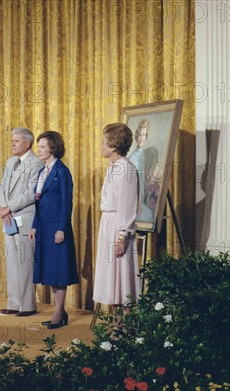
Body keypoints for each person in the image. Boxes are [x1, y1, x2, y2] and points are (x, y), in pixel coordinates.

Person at [29, 131, 78, 329]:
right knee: (49, 270)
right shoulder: (43, 171)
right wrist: (34, 225)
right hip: (43, 226)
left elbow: (67, 203)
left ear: (53, 148)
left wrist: (61, 229)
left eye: (42, 147)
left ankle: (59, 311)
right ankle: (59, 310)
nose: (38, 150)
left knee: (59, 271)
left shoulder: (62, 171)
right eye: (38, 146)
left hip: (57, 227)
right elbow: (38, 203)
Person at [93, 123, 140, 312]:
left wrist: (122, 236)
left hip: (118, 226)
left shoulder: (126, 169)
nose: (101, 146)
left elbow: (127, 205)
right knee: (110, 275)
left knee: (121, 273)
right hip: (108, 223)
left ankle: (127, 325)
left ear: (114, 145)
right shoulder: (113, 167)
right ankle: (116, 324)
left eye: (104, 143)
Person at [0, 127, 42, 317]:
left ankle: (28, 305)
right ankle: (14, 303)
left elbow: (32, 192)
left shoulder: (36, 163)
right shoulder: (10, 162)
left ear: (27, 143)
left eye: (16, 141)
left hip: (24, 217)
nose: (12, 144)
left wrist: (10, 207)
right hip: (8, 217)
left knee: (25, 262)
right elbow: (2, 186)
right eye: (11, 140)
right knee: (12, 262)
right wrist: (3, 207)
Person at [128, 119, 153, 223]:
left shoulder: (143, 155)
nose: (140, 138)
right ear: (135, 136)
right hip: (135, 198)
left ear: (146, 136)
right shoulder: (133, 157)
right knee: (147, 216)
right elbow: (133, 182)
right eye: (139, 135)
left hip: (141, 195)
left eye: (143, 135)